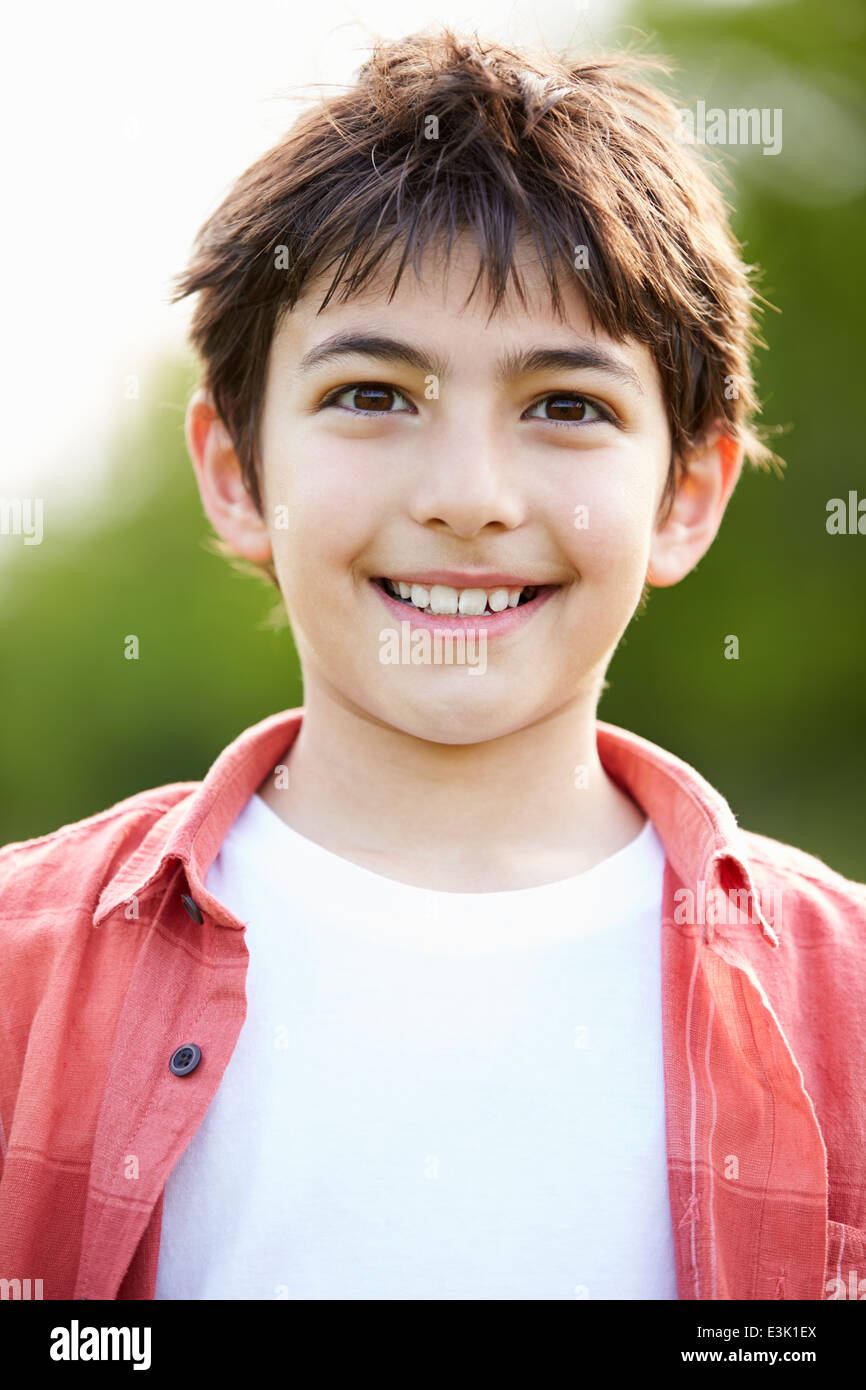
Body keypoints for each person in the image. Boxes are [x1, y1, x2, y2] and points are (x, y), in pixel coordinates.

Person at [1, 28, 864, 1302]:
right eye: (373, 393)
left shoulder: (842, 1010)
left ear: (685, 496)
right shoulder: (24, 979)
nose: (467, 498)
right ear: (237, 475)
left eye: (566, 407)